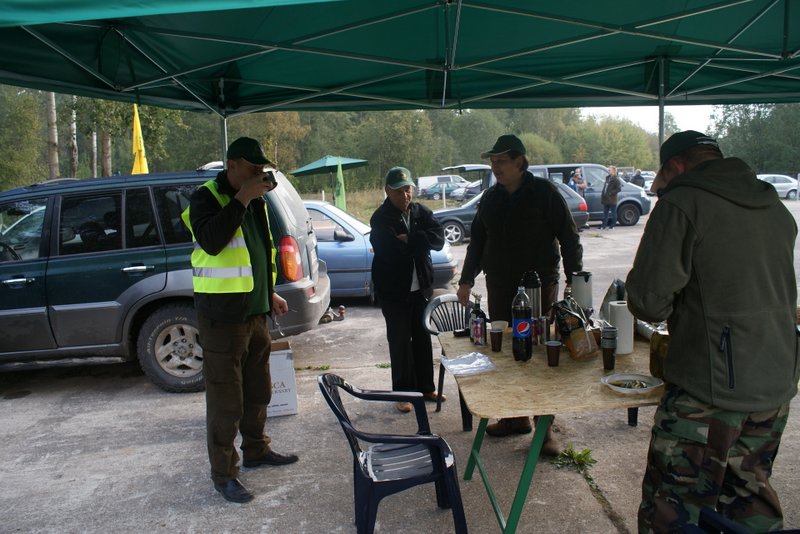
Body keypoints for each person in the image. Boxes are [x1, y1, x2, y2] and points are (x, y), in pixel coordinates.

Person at [626, 131, 798, 533]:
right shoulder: (773, 204)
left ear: (676, 166)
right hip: (775, 383)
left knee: (674, 510)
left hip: (709, 391)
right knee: (748, 503)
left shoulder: (683, 202)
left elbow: (649, 302)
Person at [182, 137, 298, 504]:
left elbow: (256, 252)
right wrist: (243, 198)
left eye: (262, 167)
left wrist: (269, 293)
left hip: (255, 311)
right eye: (252, 167)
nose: (259, 173)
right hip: (222, 317)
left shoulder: (256, 200)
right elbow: (213, 242)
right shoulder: (205, 197)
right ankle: (224, 474)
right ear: (232, 165)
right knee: (226, 400)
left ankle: (256, 449)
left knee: (258, 389)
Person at [456, 134, 583, 452]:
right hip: (499, 285)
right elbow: (478, 242)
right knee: (504, 351)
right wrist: (466, 280)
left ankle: (545, 429)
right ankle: (515, 418)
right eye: (492, 162)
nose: (495, 167)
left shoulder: (544, 193)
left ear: (520, 162)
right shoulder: (490, 198)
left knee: (538, 353)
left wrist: (575, 279)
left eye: (501, 161)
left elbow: (569, 237)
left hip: (538, 286)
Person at [370, 167, 446, 413]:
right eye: (399, 190)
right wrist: (420, 242)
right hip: (394, 292)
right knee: (400, 342)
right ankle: (403, 394)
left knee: (423, 338)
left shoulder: (421, 212)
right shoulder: (380, 218)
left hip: (421, 288)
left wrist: (411, 239)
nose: (406, 195)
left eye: (408, 189)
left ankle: (425, 388)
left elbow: (439, 239)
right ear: (387, 191)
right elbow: (391, 251)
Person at [599, 165, 622, 229]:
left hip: (612, 199)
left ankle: (612, 226)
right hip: (605, 198)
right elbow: (605, 187)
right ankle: (603, 225)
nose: (608, 171)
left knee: (613, 213)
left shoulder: (616, 179)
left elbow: (619, 189)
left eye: (609, 170)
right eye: (608, 170)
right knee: (605, 213)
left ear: (614, 171)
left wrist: (611, 193)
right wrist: (603, 193)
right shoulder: (607, 178)